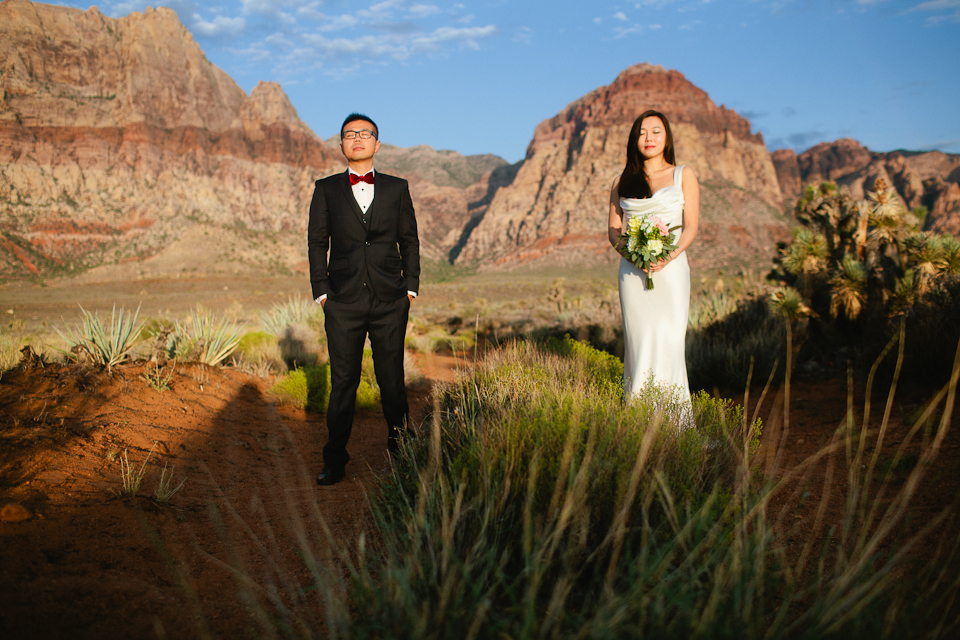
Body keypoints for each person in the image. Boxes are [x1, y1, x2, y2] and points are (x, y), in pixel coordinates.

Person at [308, 113, 420, 486]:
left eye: (365, 133)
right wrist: (322, 292)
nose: (357, 139)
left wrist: (410, 287)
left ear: (376, 143)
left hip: (390, 299)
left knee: (392, 380)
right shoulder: (325, 190)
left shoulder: (397, 188)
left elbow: (410, 239)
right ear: (341, 145)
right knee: (343, 383)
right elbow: (317, 242)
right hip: (342, 301)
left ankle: (401, 449)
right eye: (349, 134)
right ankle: (334, 461)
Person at [607, 110, 699, 416]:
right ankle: (639, 420)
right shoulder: (622, 181)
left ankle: (675, 425)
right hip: (632, 274)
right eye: (642, 132)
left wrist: (667, 257)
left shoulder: (683, 174)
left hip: (671, 273)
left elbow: (691, 227)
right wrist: (632, 255)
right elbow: (613, 229)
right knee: (639, 342)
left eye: (656, 132)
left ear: (667, 137)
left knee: (670, 341)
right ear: (634, 139)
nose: (649, 138)